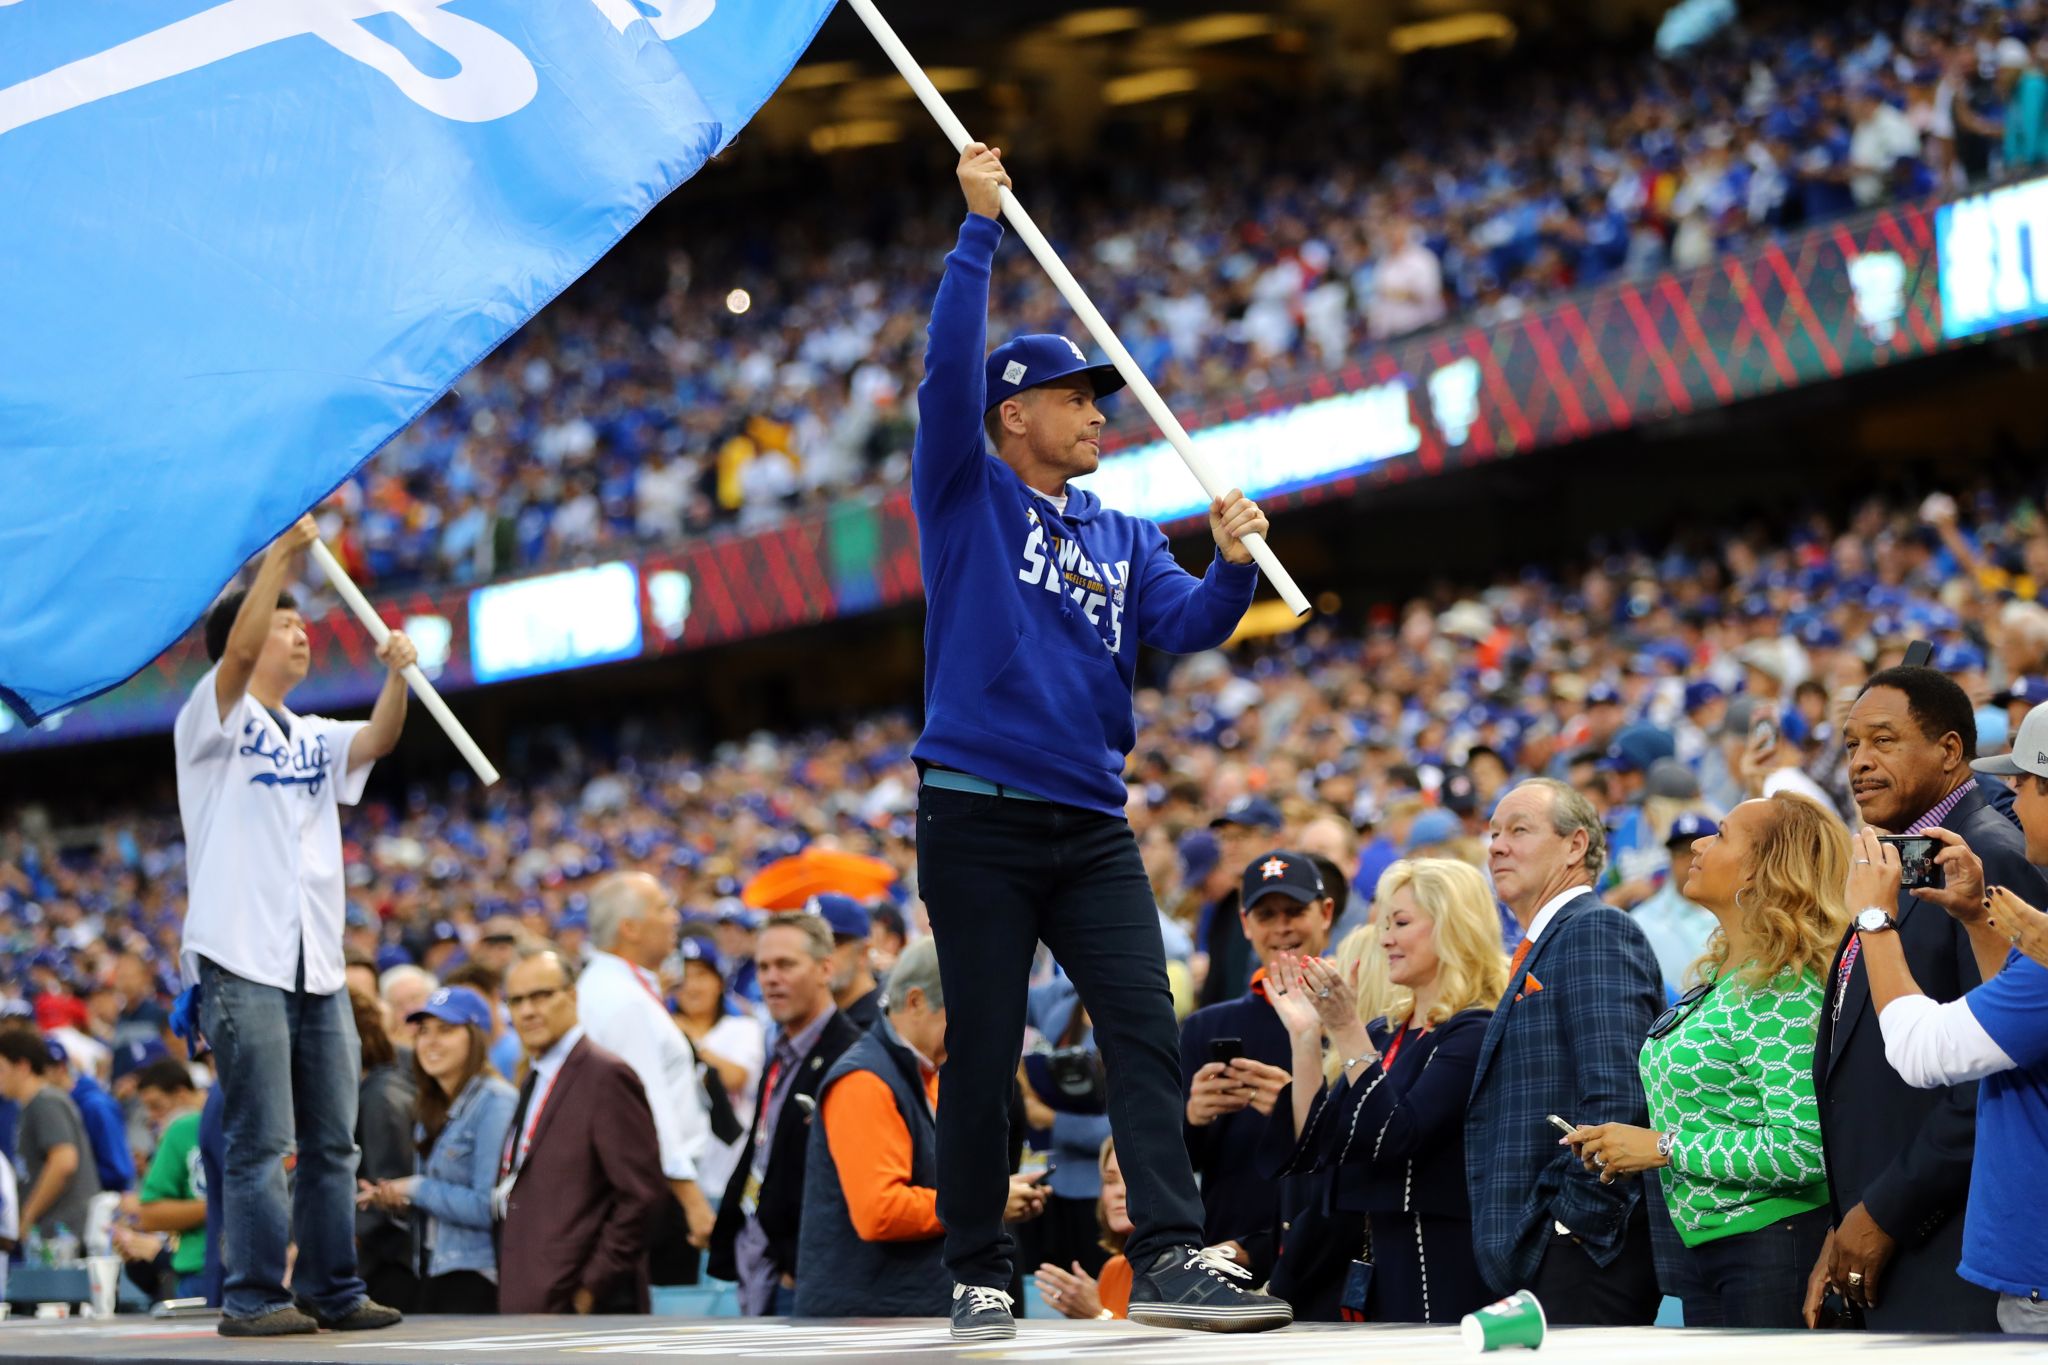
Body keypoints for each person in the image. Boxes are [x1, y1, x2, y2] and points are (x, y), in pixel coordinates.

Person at [909, 143, 1289, 1339]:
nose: (1095, 414)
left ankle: (1170, 1250)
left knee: (1141, 1025)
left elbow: (1187, 626)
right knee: (981, 1047)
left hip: (1087, 819)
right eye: (1075, 398)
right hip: (974, 812)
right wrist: (976, 232)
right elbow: (938, 382)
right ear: (1013, 412)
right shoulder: (966, 490)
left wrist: (1229, 569)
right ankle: (977, 1262)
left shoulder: (1125, 533)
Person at [173, 514, 414, 1336]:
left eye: (304, 623)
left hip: (318, 962)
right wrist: (277, 555)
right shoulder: (210, 723)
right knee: (261, 1138)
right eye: (284, 622)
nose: (300, 634)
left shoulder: (311, 733)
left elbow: (378, 737)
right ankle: (253, 1294)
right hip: (244, 959)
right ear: (243, 636)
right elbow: (237, 657)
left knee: (332, 1142)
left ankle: (332, 1287)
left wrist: (397, 677)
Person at [1808, 666, 2048, 1332]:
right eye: (1852, 744)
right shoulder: (1912, 859)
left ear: (1949, 750)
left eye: (1882, 740)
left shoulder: (1993, 852)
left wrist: (1883, 1211)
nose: (1859, 762)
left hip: (1956, 1245)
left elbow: (1976, 1065)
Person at [1566, 795, 1846, 1327]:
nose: (1696, 844)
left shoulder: (1783, 989)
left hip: (1769, 1247)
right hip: (1709, 1250)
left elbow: (1803, 1148)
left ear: (1765, 866)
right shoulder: (1725, 978)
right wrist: (1627, 1142)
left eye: (1718, 834)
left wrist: (1663, 1148)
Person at [1263, 858, 1506, 1322]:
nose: (1385, 938)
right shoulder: (1383, 1031)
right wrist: (1306, 1038)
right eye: (1384, 924)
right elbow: (1315, 1144)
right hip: (1371, 1253)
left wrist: (1346, 1027)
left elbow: (1397, 1135)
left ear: (1452, 927)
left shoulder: (1474, 1030)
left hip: (1439, 1255)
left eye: (1401, 923)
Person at [1465, 779, 1663, 1322]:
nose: (1497, 846)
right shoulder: (1549, 941)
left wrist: (1569, 1226)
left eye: (1519, 830)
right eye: (1493, 833)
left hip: (1580, 1252)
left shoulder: (1594, 930)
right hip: (1543, 1251)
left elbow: (1619, 1094)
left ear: (1575, 845)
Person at [796, 938, 1043, 1316]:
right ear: (915, 1001)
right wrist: (987, 1201)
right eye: (961, 1015)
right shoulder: (864, 1080)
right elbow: (881, 1211)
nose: (972, 1032)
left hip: (903, 1314)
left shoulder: (927, 1073)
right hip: (869, 1327)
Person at [1180, 851, 1335, 1284]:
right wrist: (1192, 1118)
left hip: (1327, 1248)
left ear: (1325, 913)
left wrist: (1299, 1103)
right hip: (1228, 1248)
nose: (1282, 927)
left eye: (1294, 911)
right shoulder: (1206, 1026)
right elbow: (1173, 1160)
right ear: (1246, 924)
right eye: (1267, 914)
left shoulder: (1356, 1016)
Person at [495, 950, 671, 1315]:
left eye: (541, 995)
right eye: (517, 1000)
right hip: (535, 1302)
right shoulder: (536, 1074)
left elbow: (642, 1196)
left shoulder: (605, 1075)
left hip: (587, 1313)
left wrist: (591, 1287)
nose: (528, 1011)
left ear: (572, 996)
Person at [707, 913, 860, 1316]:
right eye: (763, 966)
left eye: (786, 965)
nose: (771, 978)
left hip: (805, 1280)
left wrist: (797, 1264)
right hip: (760, 1271)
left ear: (826, 968)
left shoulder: (850, 1056)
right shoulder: (780, 1052)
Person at [577, 873, 716, 1282]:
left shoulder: (611, 987)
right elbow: (648, 1103)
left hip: (645, 1186)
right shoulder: (620, 999)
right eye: (662, 908)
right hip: (654, 1191)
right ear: (630, 928)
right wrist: (691, 1200)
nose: (675, 918)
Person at [358, 986, 516, 1315]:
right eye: (424, 1031)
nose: (430, 1042)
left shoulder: (495, 1102)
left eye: (446, 1030)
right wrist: (397, 1204)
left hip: (476, 1276)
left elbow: (487, 1206)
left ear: (476, 1037)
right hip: (434, 1270)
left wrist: (414, 1188)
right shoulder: (432, 1106)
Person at [671, 938, 764, 1202]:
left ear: (719, 982)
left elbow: (735, 1078)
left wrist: (690, 1039)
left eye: (701, 975)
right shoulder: (664, 1028)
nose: (692, 986)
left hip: (730, 1170)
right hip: (681, 1174)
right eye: (684, 977)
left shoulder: (743, 1028)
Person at [350, 988, 418, 1311]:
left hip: (388, 1266)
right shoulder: (372, 1089)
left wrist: (347, 1239)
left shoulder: (380, 1097)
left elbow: (388, 1186)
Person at [0, 1030, 102, 1243]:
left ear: (22, 1067)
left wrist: (28, 1216)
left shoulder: (46, 1102)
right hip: (53, 1231)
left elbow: (64, 1161)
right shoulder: (29, 1107)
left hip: (66, 1232)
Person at [126, 1060, 209, 1300]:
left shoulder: (182, 1128)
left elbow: (150, 1213)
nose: (152, 1116)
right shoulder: (175, 1133)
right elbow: (151, 1213)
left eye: (156, 1106)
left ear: (182, 1093)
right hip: (196, 1266)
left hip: (202, 1270)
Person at [1035, 1137, 1134, 1321]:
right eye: (1110, 1181)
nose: (1119, 1192)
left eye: (1131, 1179)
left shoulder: (1184, 1270)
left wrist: (1097, 1315)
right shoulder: (1113, 1269)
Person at [1632, 812, 1723, 997]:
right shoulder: (1640, 922)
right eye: (1680, 852)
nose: (1691, 860)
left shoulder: (1741, 913)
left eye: (1700, 851)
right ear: (1671, 859)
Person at [812, 894, 884, 1033]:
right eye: (810, 945)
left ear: (863, 952)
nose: (817, 955)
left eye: (830, 943)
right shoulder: (811, 1019)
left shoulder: (887, 1019)